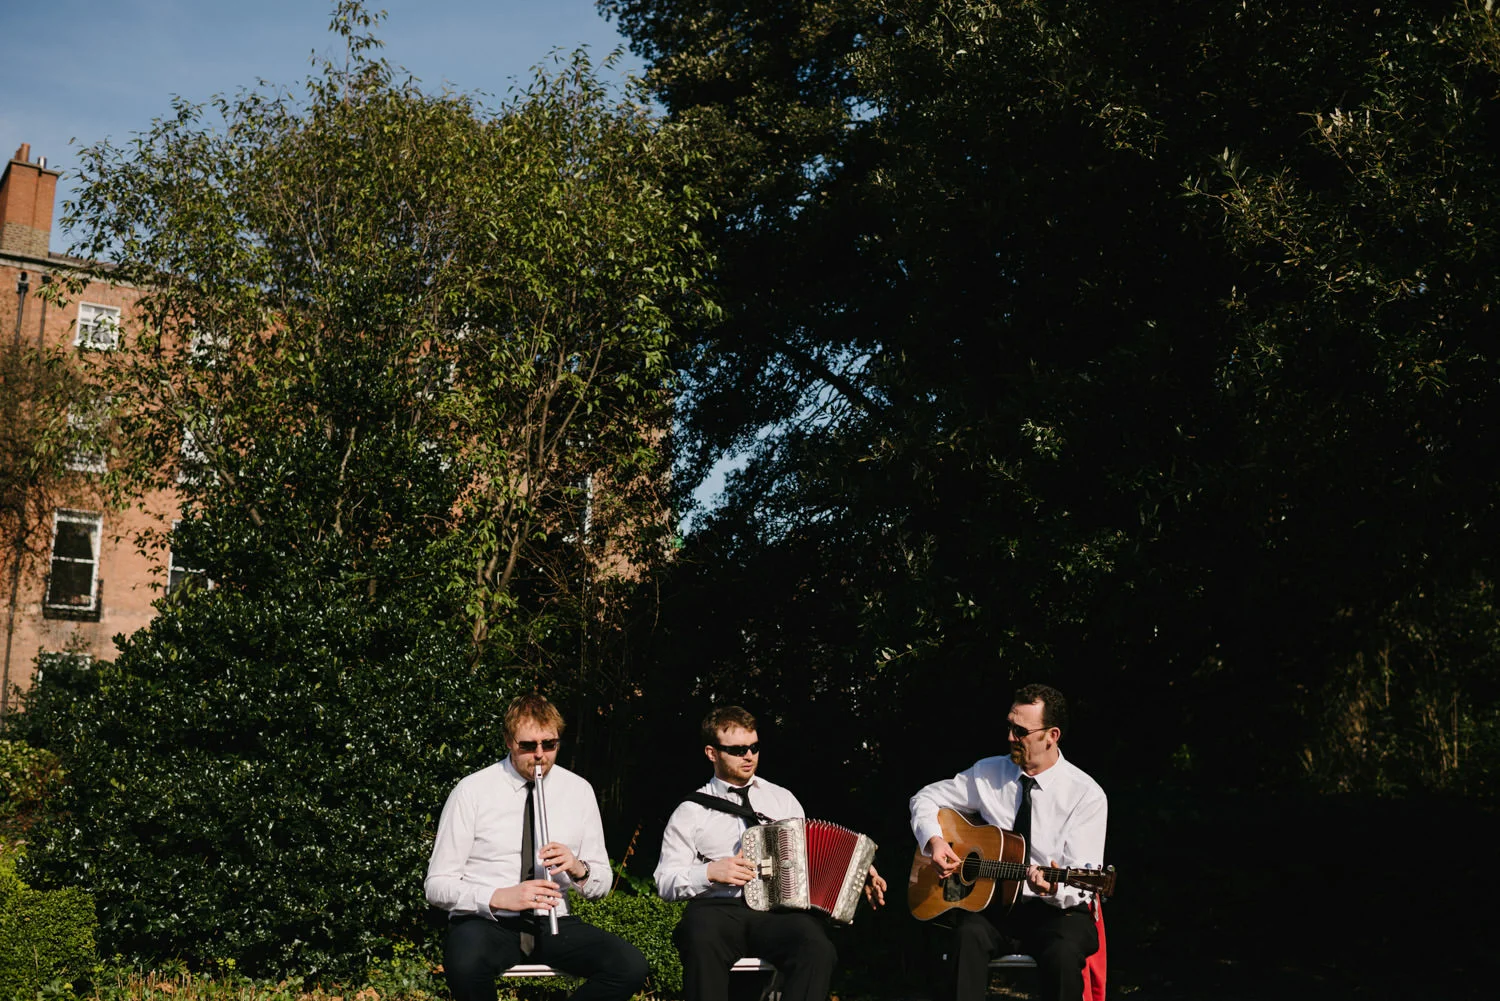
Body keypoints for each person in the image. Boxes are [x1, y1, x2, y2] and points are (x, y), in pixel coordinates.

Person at [656, 705, 887, 1001]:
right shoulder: (691, 811)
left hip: (775, 914)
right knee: (700, 937)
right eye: (737, 749)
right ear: (712, 753)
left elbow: (811, 858)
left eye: (754, 747)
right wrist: (709, 873)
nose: (749, 756)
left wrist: (857, 872)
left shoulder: (782, 799)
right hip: (717, 911)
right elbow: (664, 881)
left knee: (816, 946)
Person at [426, 694, 648, 1001]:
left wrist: (578, 868)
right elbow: (436, 885)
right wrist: (496, 897)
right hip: (489, 923)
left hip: (554, 923)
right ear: (508, 741)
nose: (540, 755)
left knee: (630, 966)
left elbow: (602, 885)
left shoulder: (579, 791)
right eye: (528, 746)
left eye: (550, 744)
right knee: (464, 961)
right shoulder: (471, 791)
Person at [909, 683, 1106, 1001]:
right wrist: (934, 841)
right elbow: (926, 797)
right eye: (1009, 726)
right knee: (965, 937)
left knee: (1064, 954)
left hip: (1058, 914)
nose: (1010, 737)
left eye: (1021, 731)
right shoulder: (988, 773)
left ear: (1051, 735)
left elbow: (1082, 879)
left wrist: (1053, 888)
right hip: (996, 908)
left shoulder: (1086, 794)